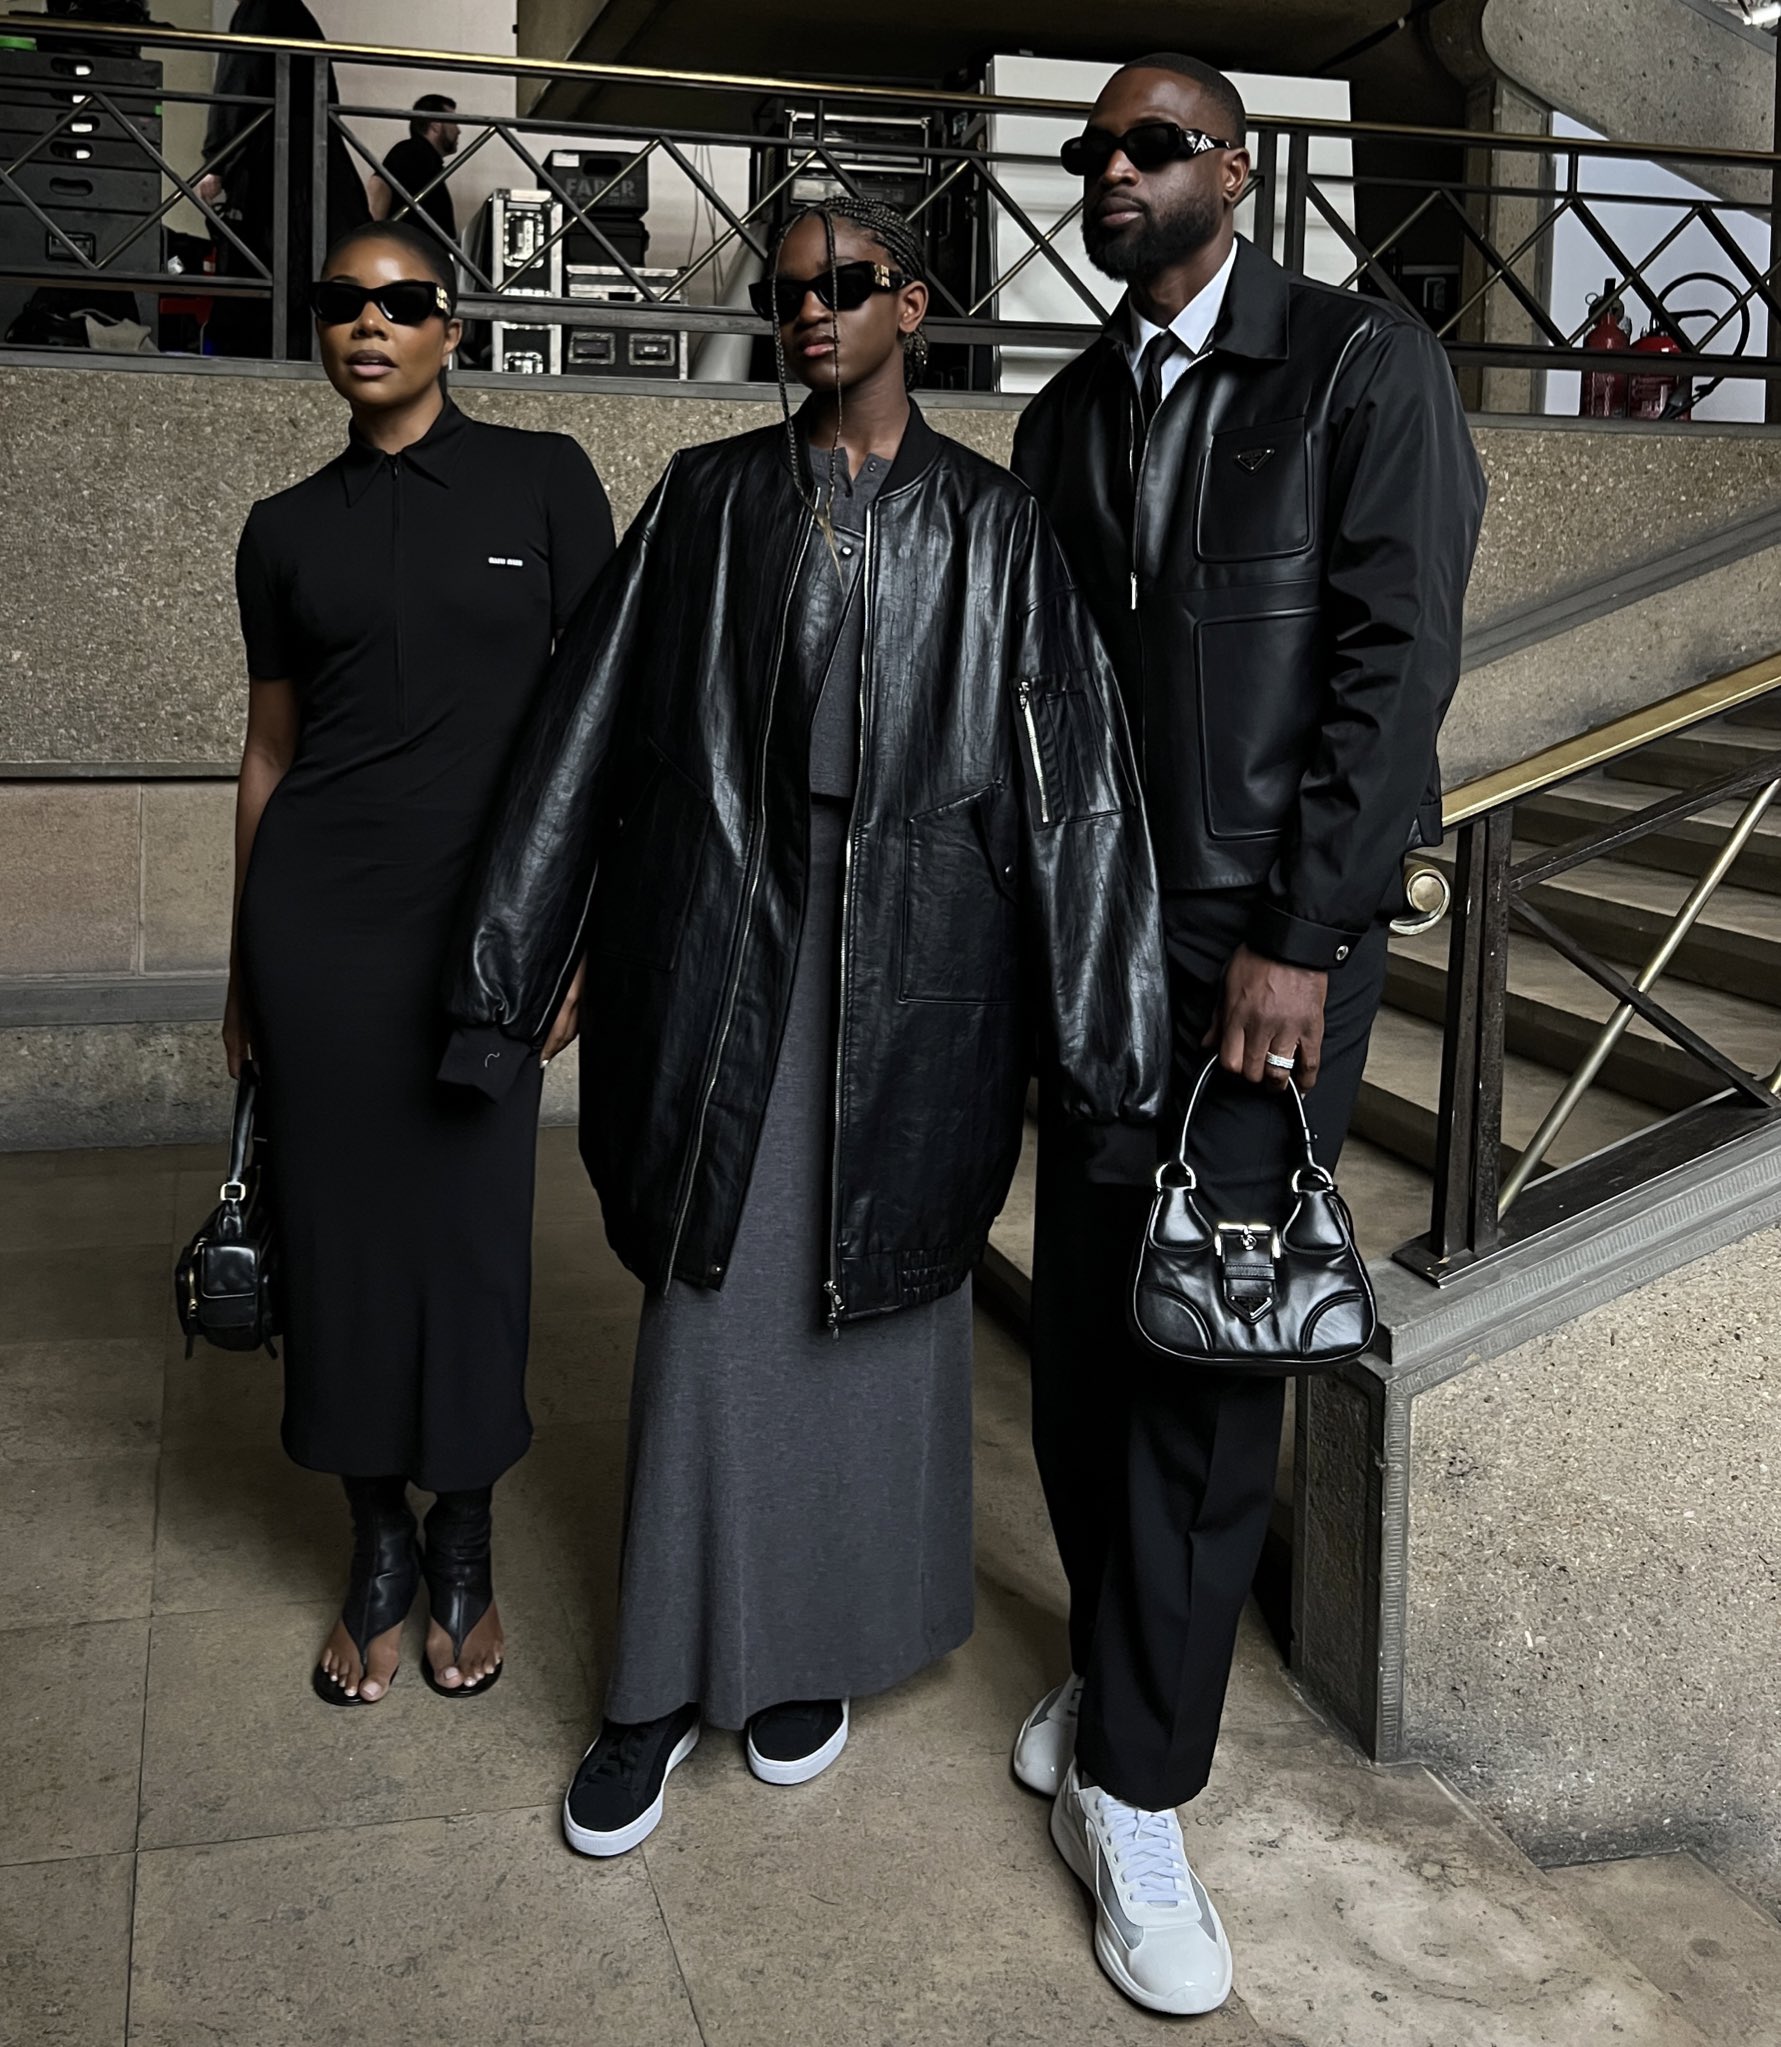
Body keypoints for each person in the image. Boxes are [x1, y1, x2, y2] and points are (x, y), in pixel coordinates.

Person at [439, 198, 1168, 1855]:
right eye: (786, 297)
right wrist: (504, 979)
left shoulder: (995, 526)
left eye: (845, 286)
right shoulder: (708, 499)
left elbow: (1077, 806)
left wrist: (1106, 1054)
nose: (813, 315)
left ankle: (806, 1657)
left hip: (929, 974)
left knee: (886, 1306)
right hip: (731, 952)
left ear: (913, 299)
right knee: (717, 1306)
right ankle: (651, 1686)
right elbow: (582, 740)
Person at [1010, 52, 1486, 2018]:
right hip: (1095, 938)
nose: (1105, 173)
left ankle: (1135, 1785)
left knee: (1209, 1367)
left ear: (1224, 169)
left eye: (1142, 147)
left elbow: (1389, 669)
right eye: (1087, 151)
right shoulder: (1064, 416)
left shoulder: (1354, 371)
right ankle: (1113, 1671)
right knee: (1087, 1333)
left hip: (1258, 948)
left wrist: (1298, 934)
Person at [224, 218, 616, 1708]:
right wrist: (244, 966)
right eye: (340, 304)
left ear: (452, 328)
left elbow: (605, 735)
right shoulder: (281, 529)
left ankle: (468, 1536)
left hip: (491, 936)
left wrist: (580, 931)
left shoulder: (545, 477)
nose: (366, 324)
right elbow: (267, 756)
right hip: (318, 930)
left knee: (468, 1235)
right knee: (338, 1246)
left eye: (399, 303)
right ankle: (376, 1539)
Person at [197, 0, 370, 358]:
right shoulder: (296, 14)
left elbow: (238, 84)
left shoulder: (258, 11)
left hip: (275, 169)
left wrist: (218, 160)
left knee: (269, 288)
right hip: (319, 167)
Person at [371, 94, 460, 247]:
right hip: (409, 254)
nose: (459, 130)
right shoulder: (411, 151)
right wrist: (373, 242)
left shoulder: (426, 160)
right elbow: (378, 185)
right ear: (435, 125)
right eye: (453, 122)